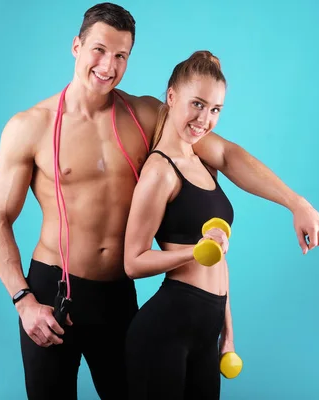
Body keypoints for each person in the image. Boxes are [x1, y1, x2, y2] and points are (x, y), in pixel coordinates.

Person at [0, 3, 319, 400]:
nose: (108, 66)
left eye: (120, 56)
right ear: (76, 46)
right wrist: (24, 301)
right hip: (52, 290)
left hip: (115, 295)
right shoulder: (31, 126)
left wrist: (296, 202)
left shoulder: (145, 115)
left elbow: (227, 155)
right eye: (99, 50)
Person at [123, 50, 247, 399]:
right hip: (167, 328)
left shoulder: (205, 164)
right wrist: (195, 251)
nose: (205, 119)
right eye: (197, 104)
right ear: (171, 96)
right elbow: (133, 262)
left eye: (215, 110)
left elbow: (220, 262)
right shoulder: (159, 171)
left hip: (209, 331)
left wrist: (228, 336)